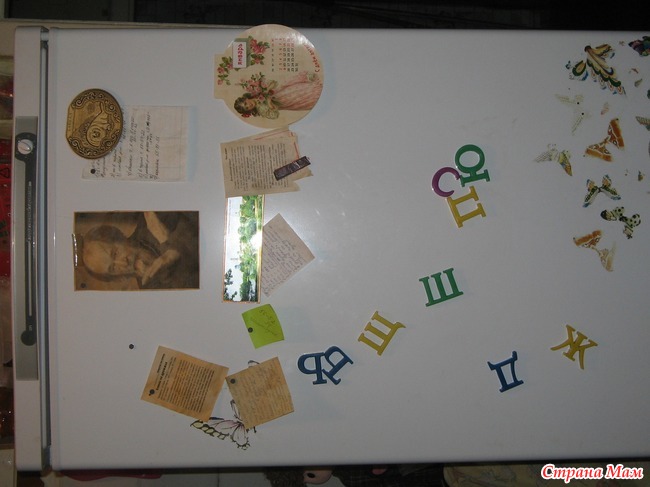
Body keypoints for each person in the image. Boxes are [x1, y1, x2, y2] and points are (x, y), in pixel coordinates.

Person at [80, 211, 199, 290]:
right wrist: (165, 243)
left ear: (119, 238)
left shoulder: (152, 220)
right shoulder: (148, 287)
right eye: (113, 268)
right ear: (119, 277)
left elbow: (200, 227)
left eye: (115, 253)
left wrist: (174, 248)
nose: (123, 263)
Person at [234, 71, 323, 119]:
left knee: (301, 88)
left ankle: (316, 87)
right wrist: (270, 104)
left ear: (246, 99)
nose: (249, 105)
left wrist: (267, 89)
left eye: (245, 103)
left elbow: (273, 83)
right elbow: (274, 115)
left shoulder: (256, 92)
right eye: (247, 108)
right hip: (287, 101)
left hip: (283, 91)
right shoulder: (261, 110)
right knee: (303, 97)